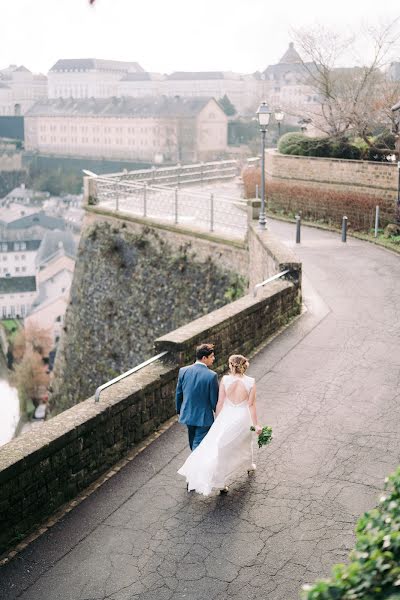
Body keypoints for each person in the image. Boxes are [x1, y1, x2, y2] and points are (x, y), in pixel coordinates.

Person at [178, 354, 262, 496]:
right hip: (242, 417)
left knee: (220, 447)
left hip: (226, 416)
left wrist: (218, 420)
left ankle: (220, 481)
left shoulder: (225, 380)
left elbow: (220, 402)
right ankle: (248, 465)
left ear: (231, 365)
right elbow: (251, 405)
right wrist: (257, 424)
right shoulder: (251, 382)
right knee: (243, 443)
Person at [175, 343, 219, 451]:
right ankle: (194, 465)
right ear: (204, 358)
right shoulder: (211, 376)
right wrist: (219, 415)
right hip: (204, 418)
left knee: (192, 441)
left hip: (187, 414)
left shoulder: (183, 371)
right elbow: (214, 401)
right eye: (212, 356)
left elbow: (179, 393)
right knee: (198, 445)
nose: (214, 358)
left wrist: (179, 410)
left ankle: (195, 463)